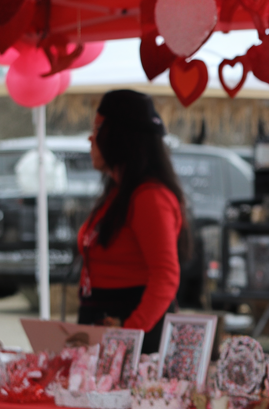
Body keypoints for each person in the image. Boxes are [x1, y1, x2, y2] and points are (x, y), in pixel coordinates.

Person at [78, 90, 189, 353]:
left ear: (119, 136)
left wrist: (128, 334)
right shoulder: (118, 192)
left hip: (134, 331)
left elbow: (166, 277)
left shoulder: (149, 197)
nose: (91, 138)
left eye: (98, 129)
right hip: (108, 321)